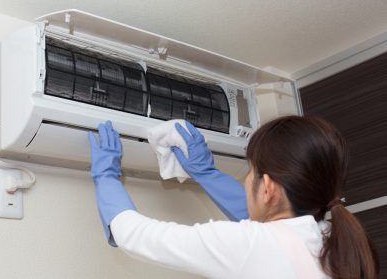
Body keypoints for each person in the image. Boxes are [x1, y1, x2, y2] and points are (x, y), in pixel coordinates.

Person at [88, 116, 379, 279]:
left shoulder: (249, 245)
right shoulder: (332, 237)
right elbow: (272, 233)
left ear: (267, 188)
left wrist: (105, 175)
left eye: (251, 172)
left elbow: (135, 235)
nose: (246, 180)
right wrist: (207, 173)